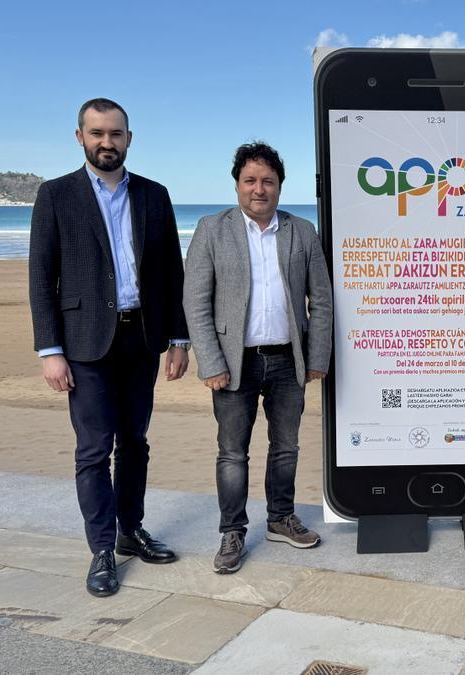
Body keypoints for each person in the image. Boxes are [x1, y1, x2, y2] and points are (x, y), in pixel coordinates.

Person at [28, 98, 189, 597]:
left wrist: (179, 338)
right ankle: (101, 549)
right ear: (80, 136)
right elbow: (41, 276)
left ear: (129, 138)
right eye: (97, 133)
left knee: (135, 442)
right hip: (83, 343)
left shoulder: (153, 195)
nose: (106, 142)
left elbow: (170, 274)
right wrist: (49, 349)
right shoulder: (56, 196)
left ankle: (129, 531)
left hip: (141, 337)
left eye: (115, 133)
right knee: (94, 450)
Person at [183, 142, 333, 574]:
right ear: (237, 185)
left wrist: (317, 355)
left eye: (268, 181)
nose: (259, 189)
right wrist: (210, 363)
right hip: (234, 363)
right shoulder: (213, 230)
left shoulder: (302, 232)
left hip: (289, 361)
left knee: (286, 447)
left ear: (280, 187)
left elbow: (320, 301)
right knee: (233, 453)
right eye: (250, 180)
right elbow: (196, 302)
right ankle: (232, 532)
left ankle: (280, 519)